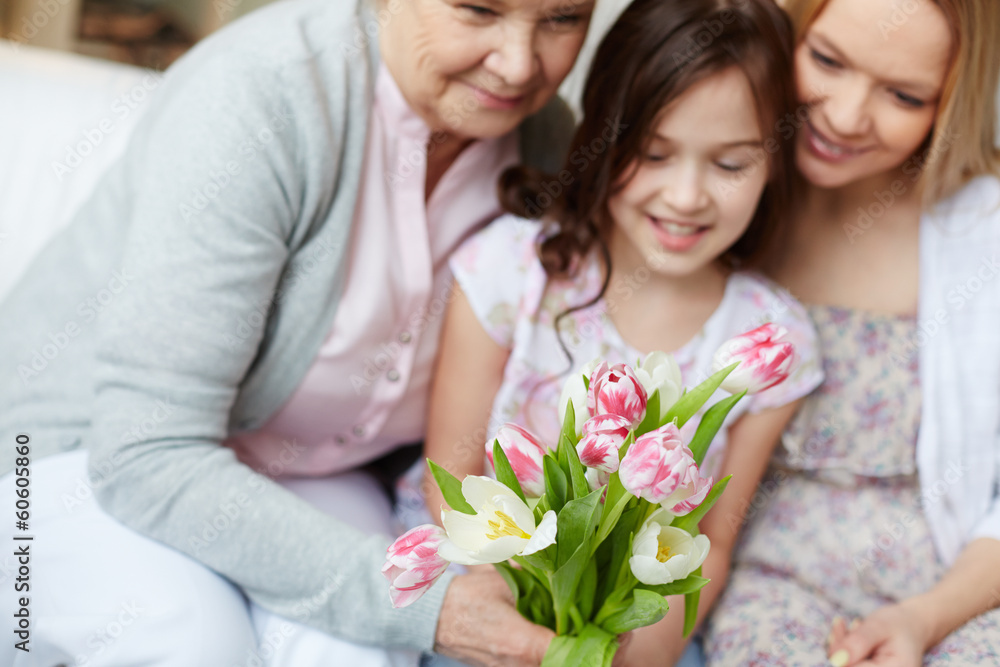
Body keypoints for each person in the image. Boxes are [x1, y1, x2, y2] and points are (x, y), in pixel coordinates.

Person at [0, 0, 597, 664]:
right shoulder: (260, 96)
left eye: (564, 19)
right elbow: (144, 454)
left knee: (356, 656)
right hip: (79, 458)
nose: (519, 63)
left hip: (309, 467)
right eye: (478, 10)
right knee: (192, 645)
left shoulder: (544, 141)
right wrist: (431, 606)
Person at [415, 0, 824, 664]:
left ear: (775, 161)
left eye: (730, 164)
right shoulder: (511, 271)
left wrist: (623, 654)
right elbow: (450, 478)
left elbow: (710, 543)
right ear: (605, 136)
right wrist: (516, 622)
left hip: (641, 633)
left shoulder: (768, 339)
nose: (686, 196)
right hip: (484, 597)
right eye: (655, 153)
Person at [702, 0, 1000, 664]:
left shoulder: (985, 231)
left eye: (904, 94)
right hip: (771, 590)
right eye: (827, 60)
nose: (843, 116)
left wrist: (925, 618)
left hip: (962, 589)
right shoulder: (706, 198)